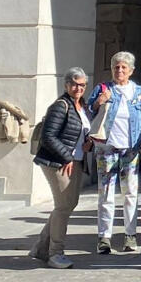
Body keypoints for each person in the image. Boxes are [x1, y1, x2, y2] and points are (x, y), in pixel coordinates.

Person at [85, 52, 141, 255]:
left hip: (131, 149)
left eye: (124, 67)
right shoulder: (103, 89)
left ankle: (130, 235)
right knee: (105, 193)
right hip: (107, 148)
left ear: (131, 71)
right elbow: (89, 112)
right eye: (116, 67)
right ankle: (104, 237)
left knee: (130, 193)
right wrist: (99, 102)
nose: (120, 70)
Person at [30, 67, 94, 269]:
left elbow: (80, 133)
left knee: (69, 204)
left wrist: (87, 144)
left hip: (74, 161)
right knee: (63, 206)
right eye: (75, 84)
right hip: (57, 162)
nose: (78, 88)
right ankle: (55, 253)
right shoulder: (60, 106)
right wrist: (66, 157)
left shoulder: (81, 106)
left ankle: (41, 248)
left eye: (82, 85)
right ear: (67, 85)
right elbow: (49, 136)